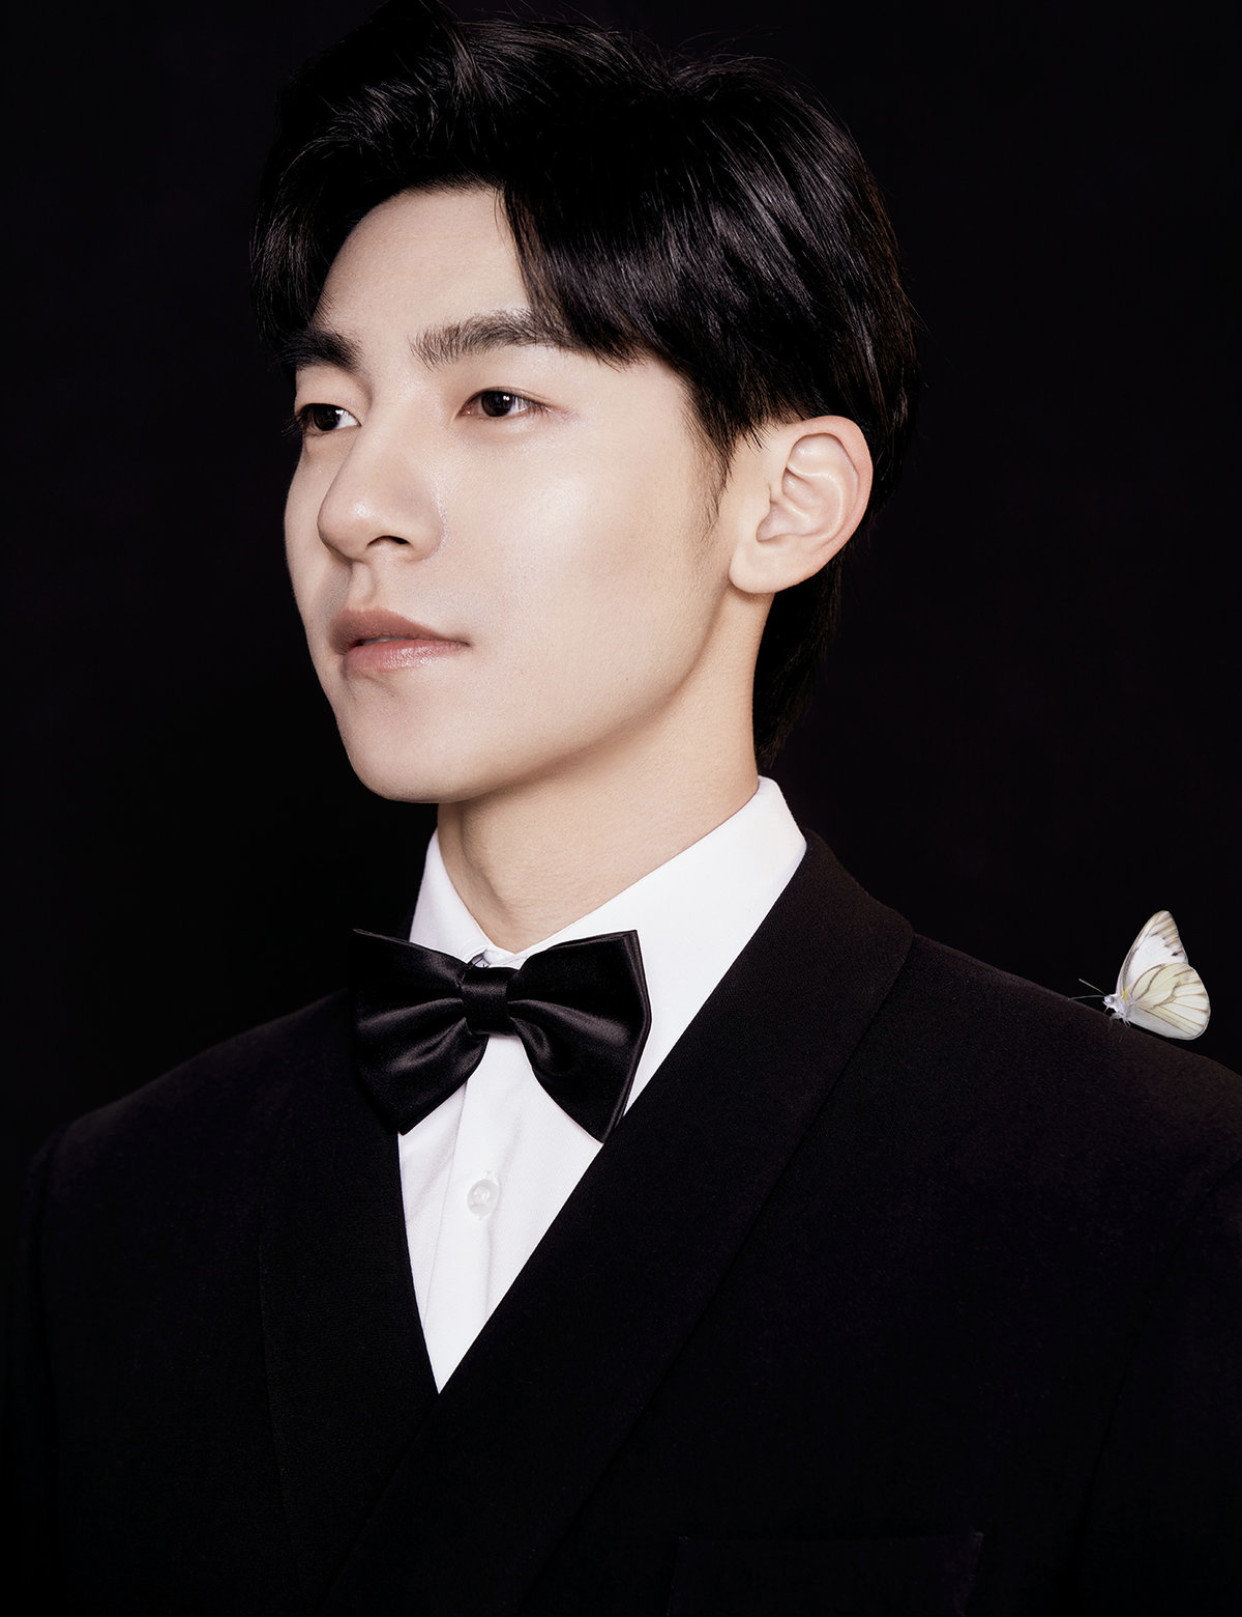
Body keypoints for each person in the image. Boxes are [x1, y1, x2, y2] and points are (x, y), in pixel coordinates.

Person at [5, 2, 1240, 1611]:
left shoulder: (1142, 1192)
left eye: (495, 401)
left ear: (785, 501)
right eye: (326, 414)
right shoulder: (114, 1208)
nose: (357, 506)